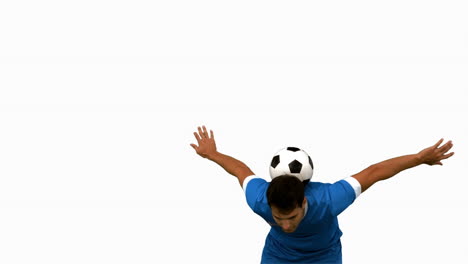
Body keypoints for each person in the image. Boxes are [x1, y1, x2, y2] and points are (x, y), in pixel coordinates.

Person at [190, 125, 454, 264]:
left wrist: (419, 158)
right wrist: (211, 154)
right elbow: (240, 170)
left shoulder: (328, 200)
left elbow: (374, 172)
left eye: (291, 217)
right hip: (278, 256)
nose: (284, 224)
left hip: (324, 256)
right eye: (278, 217)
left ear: (303, 201)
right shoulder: (260, 200)